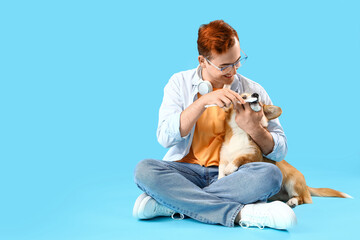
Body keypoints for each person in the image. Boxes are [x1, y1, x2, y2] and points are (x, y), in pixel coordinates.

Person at [133, 20, 297, 229]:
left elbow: (280, 151)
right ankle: (243, 213)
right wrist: (202, 102)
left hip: (235, 176)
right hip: (187, 173)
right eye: (224, 66)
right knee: (144, 170)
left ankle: (172, 205)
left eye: (237, 61)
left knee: (272, 174)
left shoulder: (253, 90)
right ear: (202, 61)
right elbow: (164, 137)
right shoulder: (179, 82)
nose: (233, 71)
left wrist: (254, 128)